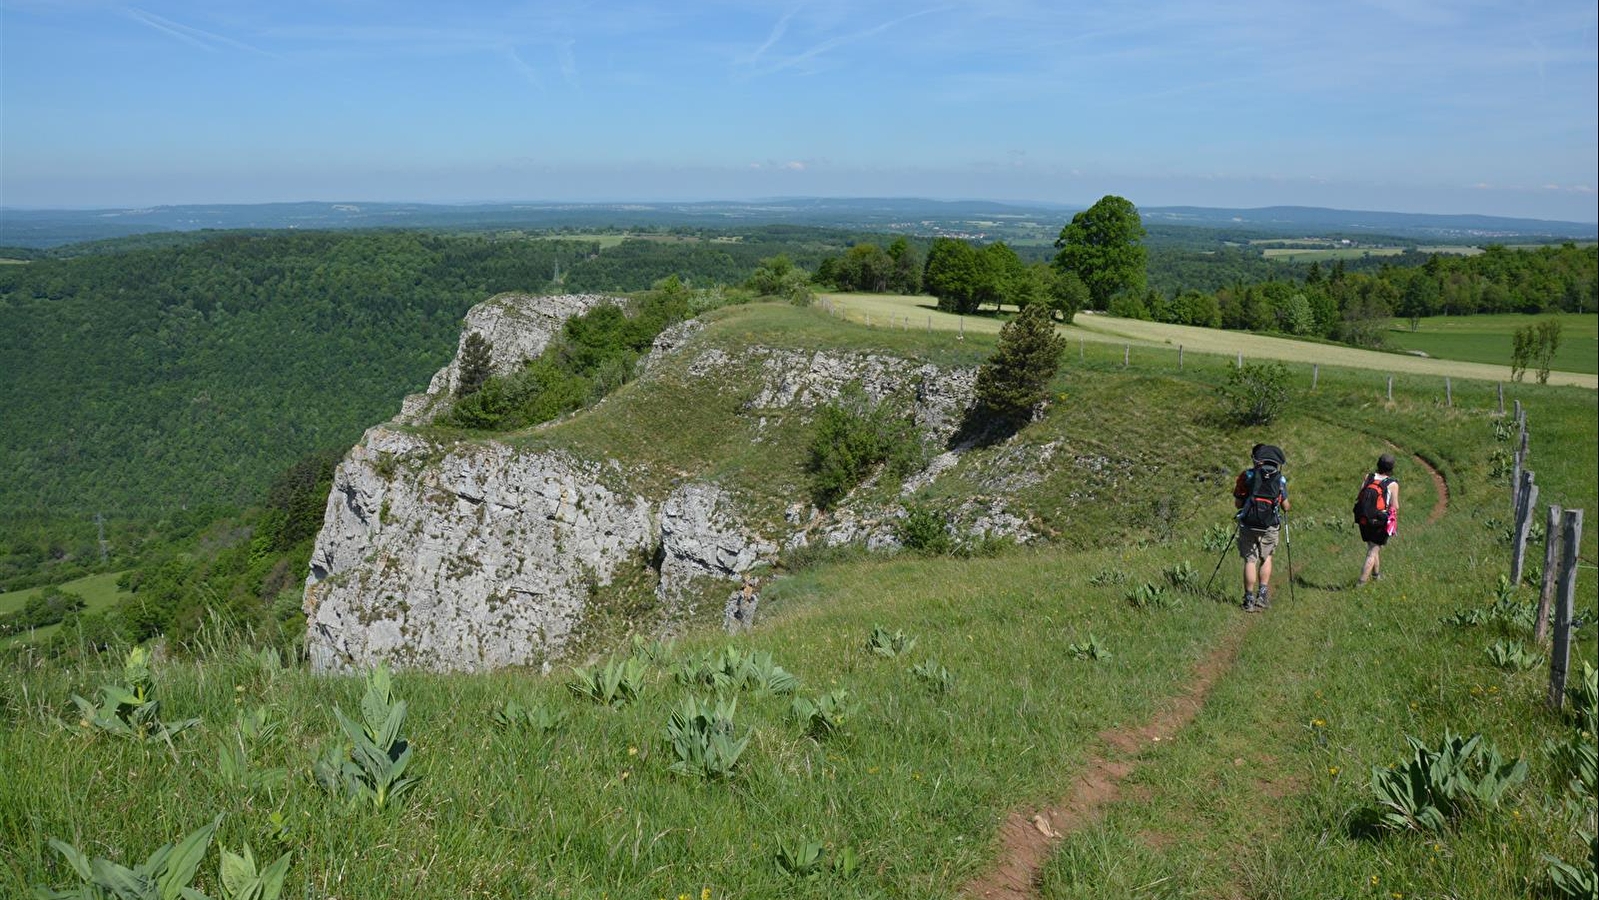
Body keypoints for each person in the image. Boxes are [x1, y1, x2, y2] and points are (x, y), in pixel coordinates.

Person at [1233, 444, 1289, 613]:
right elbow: (1285, 505)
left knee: (1250, 560)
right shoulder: (1280, 479)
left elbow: (1238, 503)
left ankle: (1248, 599)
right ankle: (1262, 596)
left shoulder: (1247, 476)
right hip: (1269, 525)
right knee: (1267, 558)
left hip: (1249, 523)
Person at [1355, 453, 1400, 587]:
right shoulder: (1392, 484)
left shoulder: (1368, 477)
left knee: (1373, 547)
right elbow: (1395, 506)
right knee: (1372, 552)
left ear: (1378, 464)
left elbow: (1360, 494)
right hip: (1378, 522)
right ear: (1391, 468)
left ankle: (1376, 575)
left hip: (1363, 519)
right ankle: (1360, 584)